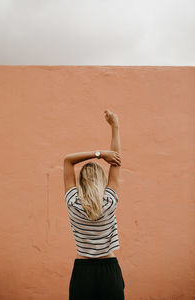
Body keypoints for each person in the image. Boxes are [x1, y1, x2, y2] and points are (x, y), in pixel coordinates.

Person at [63, 110, 125, 299]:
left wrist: (98, 154)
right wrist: (115, 127)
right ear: (101, 181)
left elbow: (68, 160)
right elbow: (116, 162)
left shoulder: (73, 202)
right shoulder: (109, 201)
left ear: (80, 182)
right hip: (109, 270)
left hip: (82, 273)